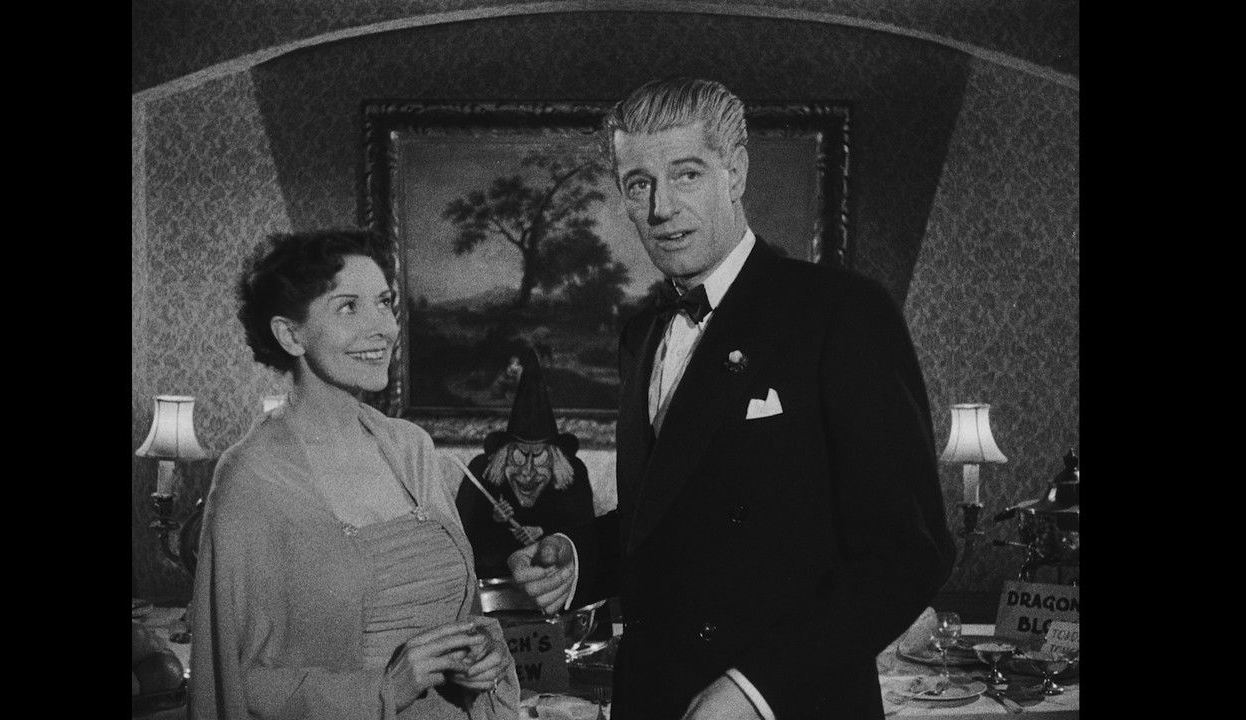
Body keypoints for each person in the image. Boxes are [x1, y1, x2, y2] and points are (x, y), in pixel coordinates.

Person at [508, 77, 957, 719]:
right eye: (638, 184)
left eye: (686, 174)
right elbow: (673, 519)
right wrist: (579, 559)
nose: (661, 208)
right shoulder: (642, 332)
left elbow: (909, 553)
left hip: (788, 705)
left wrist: (755, 690)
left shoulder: (841, 313)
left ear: (736, 172)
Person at [188, 229, 518, 720]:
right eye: (348, 307)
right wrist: (386, 688)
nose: (382, 328)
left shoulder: (411, 448)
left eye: (384, 303)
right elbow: (236, 682)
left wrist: (482, 654)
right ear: (290, 335)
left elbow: (461, 614)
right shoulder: (252, 478)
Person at [456, 347, 596, 579]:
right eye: (519, 457)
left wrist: (545, 533)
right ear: (504, 455)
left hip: (554, 586)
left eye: (539, 458)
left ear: (556, 459)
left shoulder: (574, 474)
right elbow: (461, 542)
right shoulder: (481, 470)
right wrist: (493, 520)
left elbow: (586, 539)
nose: (528, 472)